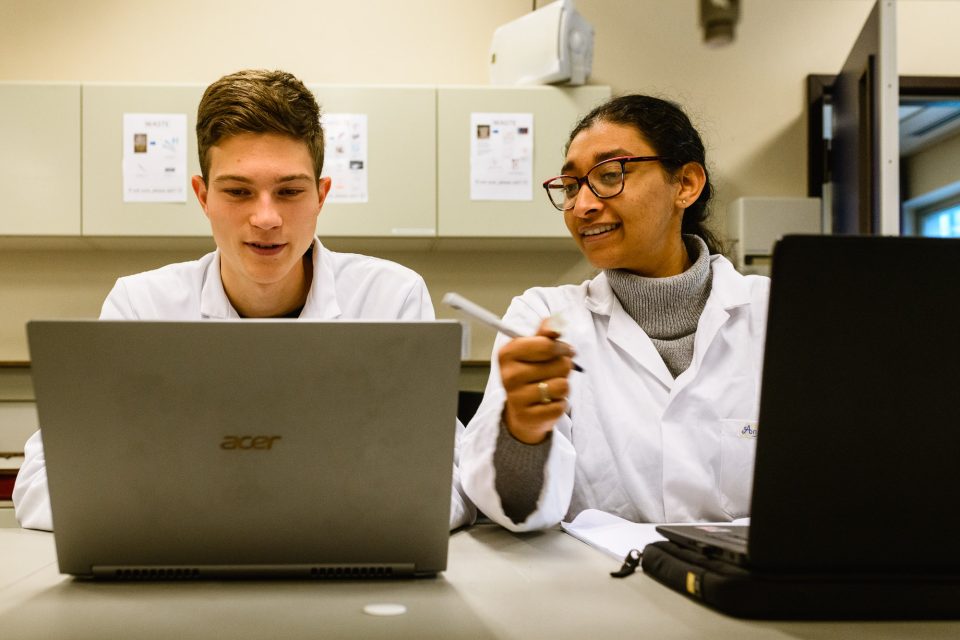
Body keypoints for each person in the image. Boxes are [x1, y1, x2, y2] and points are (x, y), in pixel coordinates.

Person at [13, 69, 475, 532]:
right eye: (238, 192)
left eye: (290, 191)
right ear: (203, 196)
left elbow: (452, 481)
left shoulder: (389, 299)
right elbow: (40, 483)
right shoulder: (141, 306)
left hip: (340, 558)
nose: (266, 218)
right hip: (189, 558)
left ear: (321, 196)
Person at [459, 95, 769, 531]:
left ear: (685, 184)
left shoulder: (776, 315)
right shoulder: (542, 315)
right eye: (571, 187)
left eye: (609, 175)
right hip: (600, 573)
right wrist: (522, 430)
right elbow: (515, 510)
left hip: (743, 574)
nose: (582, 205)